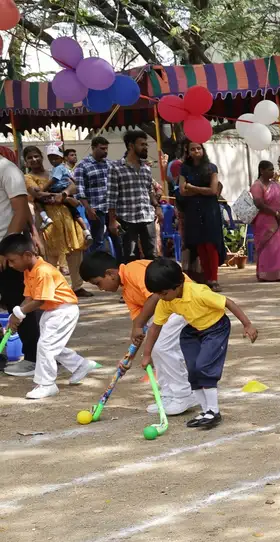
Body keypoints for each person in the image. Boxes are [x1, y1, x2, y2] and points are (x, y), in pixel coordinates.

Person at [142, 258, 257, 430]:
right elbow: (154, 328)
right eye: (158, 294)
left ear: (178, 284)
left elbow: (228, 303)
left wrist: (247, 324)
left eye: (163, 293)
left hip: (216, 328)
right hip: (193, 331)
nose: (160, 297)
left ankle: (214, 411)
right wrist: (147, 354)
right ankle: (205, 412)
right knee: (193, 370)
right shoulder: (166, 301)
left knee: (204, 366)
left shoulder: (198, 292)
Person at [79, 250, 196, 415]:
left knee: (162, 347)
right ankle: (169, 394)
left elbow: (155, 296)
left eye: (98, 283)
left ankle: (184, 394)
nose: (101, 289)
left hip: (185, 302)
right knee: (155, 347)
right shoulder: (127, 292)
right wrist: (129, 357)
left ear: (110, 274)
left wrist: (139, 325)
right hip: (169, 309)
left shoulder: (133, 270)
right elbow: (139, 326)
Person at [0, 231, 95, 399]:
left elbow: (39, 300)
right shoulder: (29, 271)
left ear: (27, 255)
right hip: (52, 311)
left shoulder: (43, 271)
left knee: (46, 346)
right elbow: (28, 297)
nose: (11, 265)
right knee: (50, 344)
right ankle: (80, 365)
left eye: (12, 260)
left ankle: (47, 384)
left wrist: (19, 313)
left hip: (63, 310)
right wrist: (15, 317)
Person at [24, 146, 89, 297]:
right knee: (50, 254)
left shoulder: (55, 171)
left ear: (42, 157)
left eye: (36, 156)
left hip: (66, 216)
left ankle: (77, 286)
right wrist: (60, 196)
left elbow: (73, 185)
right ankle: (51, 288)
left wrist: (65, 194)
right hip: (47, 219)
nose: (34, 160)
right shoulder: (27, 178)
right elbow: (37, 195)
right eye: (30, 158)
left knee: (75, 251)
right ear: (26, 162)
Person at [0, 150, 35, 378]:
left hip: (5, 250)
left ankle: (32, 357)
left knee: (18, 304)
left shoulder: (6, 169)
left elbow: (21, 210)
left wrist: (7, 248)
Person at [176, 141, 225, 290]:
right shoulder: (185, 168)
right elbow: (182, 191)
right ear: (188, 152)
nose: (196, 151)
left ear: (203, 150)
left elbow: (213, 190)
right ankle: (206, 279)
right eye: (192, 149)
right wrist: (199, 190)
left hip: (210, 209)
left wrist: (192, 188)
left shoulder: (211, 168)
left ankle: (214, 279)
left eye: (198, 148)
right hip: (193, 209)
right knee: (200, 244)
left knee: (211, 243)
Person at [107, 130, 161, 261]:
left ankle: (151, 280)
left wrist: (157, 207)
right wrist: (112, 221)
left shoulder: (146, 168)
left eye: (146, 145)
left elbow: (149, 191)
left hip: (147, 217)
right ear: (131, 146)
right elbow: (111, 197)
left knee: (152, 255)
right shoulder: (116, 167)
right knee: (130, 256)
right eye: (142, 144)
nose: (145, 147)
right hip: (127, 219)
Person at [249, 160, 280, 282]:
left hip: (277, 220)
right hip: (264, 221)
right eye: (269, 169)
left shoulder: (275, 185)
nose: (272, 172)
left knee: (278, 246)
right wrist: (275, 213)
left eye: (273, 169)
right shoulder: (257, 186)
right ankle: (266, 274)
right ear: (262, 171)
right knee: (266, 247)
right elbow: (259, 203)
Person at [73, 136, 111, 247]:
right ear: (93, 148)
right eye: (102, 148)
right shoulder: (83, 166)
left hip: (111, 208)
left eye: (106, 149)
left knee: (117, 238)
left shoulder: (109, 164)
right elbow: (80, 190)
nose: (105, 151)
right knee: (97, 241)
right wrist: (88, 209)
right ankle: (96, 263)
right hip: (95, 209)